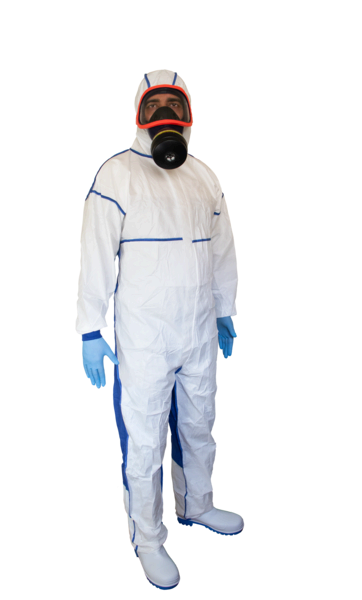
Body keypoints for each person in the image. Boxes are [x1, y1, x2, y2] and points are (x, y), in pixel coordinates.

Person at [75, 67, 245, 592]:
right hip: (143, 338)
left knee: (199, 421)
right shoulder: (116, 175)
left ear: (190, 114)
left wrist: (225, 310)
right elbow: (95, 257)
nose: (164, 116)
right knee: (145, 437)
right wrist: (90, 330)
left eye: (175, 106)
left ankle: (197, 503)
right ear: (137, 115)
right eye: (154, 107)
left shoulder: (206, 176)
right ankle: (147, 536)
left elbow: (224, 250)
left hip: (197, 330)